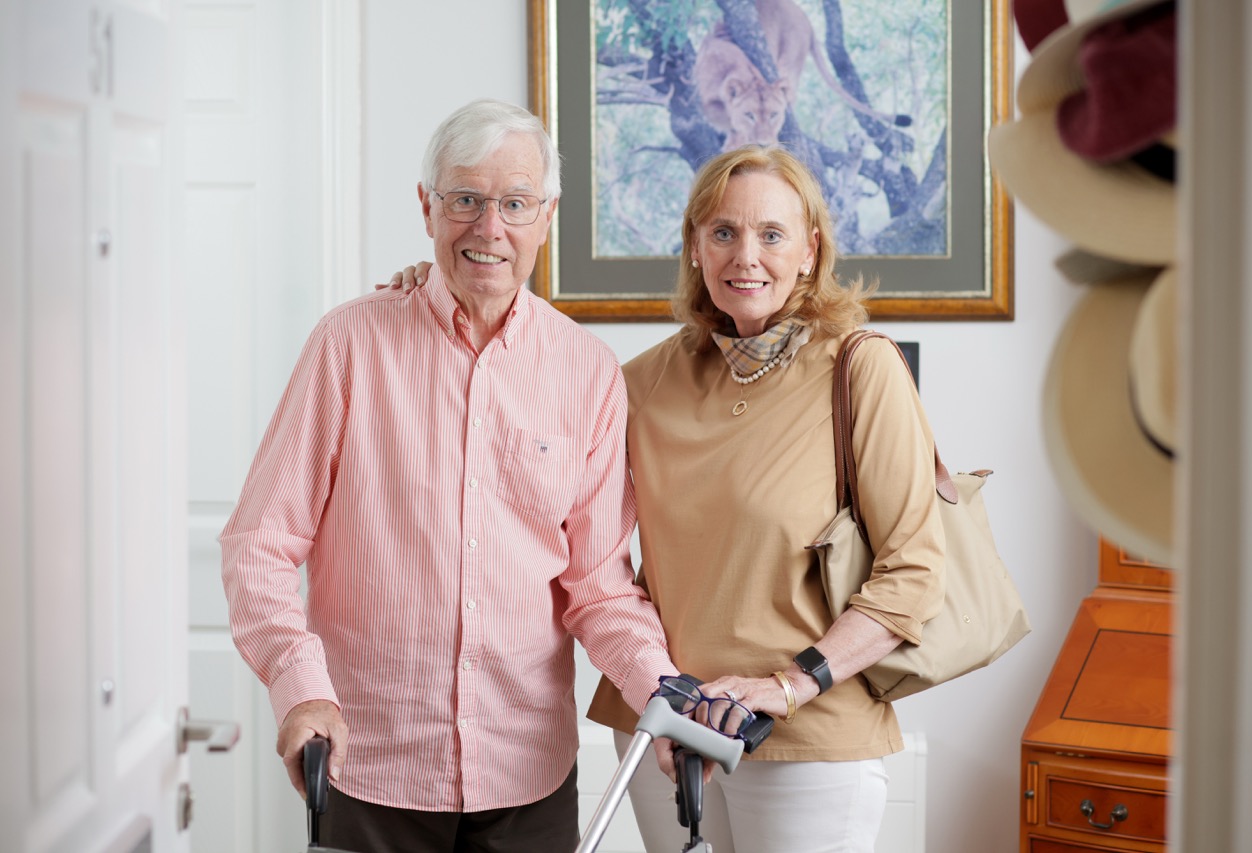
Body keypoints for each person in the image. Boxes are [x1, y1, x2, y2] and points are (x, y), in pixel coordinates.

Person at [389, 145, 946, 853]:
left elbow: (914, 574)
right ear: (694, 246)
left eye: (771, 235)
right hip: (667, 729)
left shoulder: (860, 368)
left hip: (807, 735)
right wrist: (442, 287)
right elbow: (527, 423)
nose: (746, 255)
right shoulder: (643, 381)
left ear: (810, 251)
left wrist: (788, 685)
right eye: (723, 232)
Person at [220, 98, 686, 853]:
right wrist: (300, 686)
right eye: (464, 199)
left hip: (527, 773)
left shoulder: (589, 372)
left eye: (514, 203)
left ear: (547, 213)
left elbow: (597, 582)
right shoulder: (349, 345)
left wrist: (662, 692)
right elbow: (259, 544)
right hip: (367, 764)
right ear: (426, 207)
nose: (488, 228)